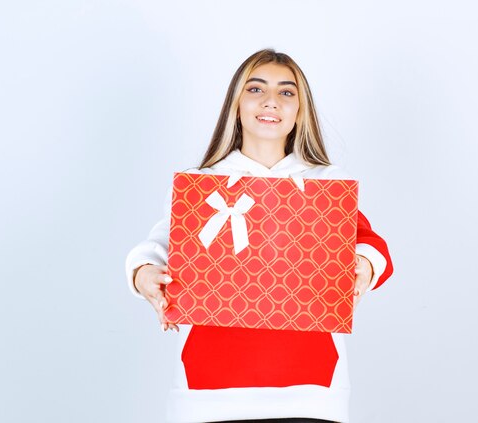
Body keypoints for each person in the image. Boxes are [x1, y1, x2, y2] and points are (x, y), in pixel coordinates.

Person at [125, 49, 393, 423]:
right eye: (256, 89)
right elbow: (158, 246)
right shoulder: (203, 185)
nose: (271, 101)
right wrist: (144, 274)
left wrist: (363, 263)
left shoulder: (324, 184)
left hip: (311, 388)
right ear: (236, 104)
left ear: (301, 111)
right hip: (209, 388)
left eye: (287, 92)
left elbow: (369, 242)